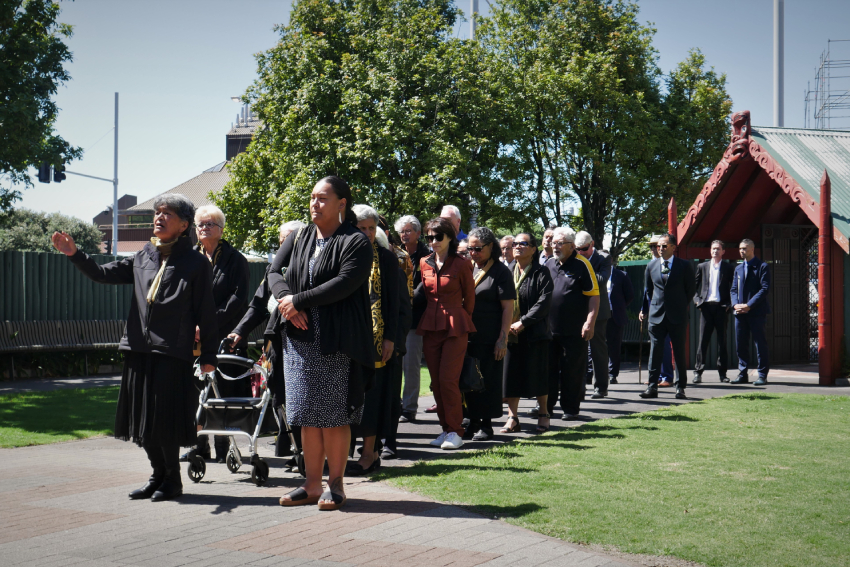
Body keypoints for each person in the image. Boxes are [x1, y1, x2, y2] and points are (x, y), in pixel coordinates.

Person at [51, 194, 218, 502]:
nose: (159, 217)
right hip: (138, 349)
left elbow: (206, 312)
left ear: (183, 225)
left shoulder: (195, 263)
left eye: (167, 214)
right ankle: (157, 475)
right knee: (141, 420)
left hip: (171, 352)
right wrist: (75, 254)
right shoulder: (144, 255)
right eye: (157, 212)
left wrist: (208, 355)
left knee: (162, 422)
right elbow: (103, 274)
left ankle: (173, 481)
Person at [271, 175, 373, 511]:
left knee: (333, 414)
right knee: (305, 414)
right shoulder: (300, 235)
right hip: (299, 339)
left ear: (341, 204)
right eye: (312, 197)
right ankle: (311, 484)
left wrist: (299, 301)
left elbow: (345, 283)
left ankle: (336, 484)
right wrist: (287, 299)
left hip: (336, 340)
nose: (315, 204)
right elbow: (274, 271)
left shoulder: (356, 241)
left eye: (323, 198)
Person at [228, 220, 306, 459]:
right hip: (276, 345)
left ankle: (307, 452)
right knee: (279, 396)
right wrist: (239, 331)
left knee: (301, 396)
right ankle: (293, 448)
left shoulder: (310, 267)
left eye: (290, 238)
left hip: (303, 343)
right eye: (282, 239)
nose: (285, 244)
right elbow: (258, 305)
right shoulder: (273, 270)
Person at [182, 204, 250, 464]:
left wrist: (208, 324)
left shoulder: (235, 260)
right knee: (195, 391)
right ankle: (199, 446)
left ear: (221, 230)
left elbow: (238, 299)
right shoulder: (188, 258)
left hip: (222, 334)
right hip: (192, 336)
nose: (204, 228)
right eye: (200, 224)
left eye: (210, 224)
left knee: (221, 391)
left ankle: (224, 447)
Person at [415, 217, 476, 450]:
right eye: (429, 237)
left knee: (448, 381)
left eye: (438, 237)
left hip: (455, 325)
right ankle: (446, 429)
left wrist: (462, 320)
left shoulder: (462, 264)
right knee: (436, 383)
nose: (433, 242)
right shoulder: (424, 263)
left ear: (450, 237)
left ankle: (456, 431)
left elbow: (470, 299)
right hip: (431, 325)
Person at [348, 205, 399, 476]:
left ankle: (370, 453)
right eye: (361, 227)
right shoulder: (343, 256)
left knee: (373, 398)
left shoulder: (387, 259)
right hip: (348, 341)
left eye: (371, 228)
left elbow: (398, 304)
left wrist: (390, 337)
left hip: (378, 343)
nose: (367, 233)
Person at [465, 227, 515, 441]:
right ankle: (471, 421)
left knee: (488, 381)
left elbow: (507, 308)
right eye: (470, 248)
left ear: (490, 247)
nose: (473, 252)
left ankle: (486, 425)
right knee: (468, 380)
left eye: (477, 248)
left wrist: (502, 339)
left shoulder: (501, 272)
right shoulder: (469, 268)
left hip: (490, 337)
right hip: (468, 336)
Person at [502, 232, 553, 434]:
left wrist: (523, 322)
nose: (517, 246)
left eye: (523, 243)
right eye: (514, 243)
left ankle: (543, 413)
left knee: (538, 376)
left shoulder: (542, 273)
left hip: (535, 334)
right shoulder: (507, 271)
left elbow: (544, 303)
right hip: (510, 335)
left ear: (533, 249)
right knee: (510, 376)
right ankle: (512, 418)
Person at [546, 227, 599, 421]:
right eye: (554, 243)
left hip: (574, 330)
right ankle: (546, 407)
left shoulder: (582, 264)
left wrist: (590, 323)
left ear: (571, 245)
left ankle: (570, 408)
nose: (555, 246)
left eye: (560, 243)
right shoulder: (550, 263)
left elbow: (594, 295)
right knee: (548, 370)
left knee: (572, 370)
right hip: (549, 330)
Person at [639, 233, 696, 400]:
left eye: (664, 246)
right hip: (656, 316)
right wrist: (652, 307)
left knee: (678, 352)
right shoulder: (651, 266)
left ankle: (680, 388)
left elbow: (690, 290)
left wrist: (678, 304)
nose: (661, 249)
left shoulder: (684, 266)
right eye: (659, 246)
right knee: (655, 351)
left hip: (677, 316)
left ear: (673, 247)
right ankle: (652, 387)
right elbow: (649, 290)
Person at [377, 214, 413, 459]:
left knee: (390, 395)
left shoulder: (394, 268)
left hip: (390, 345)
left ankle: (389, 440)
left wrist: (395, 343)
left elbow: (403, 309)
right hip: (364, 345)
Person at [395, 214, 430, 422]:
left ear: (418, 233)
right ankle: (394, 405)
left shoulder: (427, 256)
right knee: (393, 366)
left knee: (411, 366)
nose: (404, 235)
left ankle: (409, 408)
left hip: (415, 319)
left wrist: (404, 302)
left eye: (408, 231)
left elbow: (425, 287)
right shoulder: (395, 254)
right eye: (402, 231)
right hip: (395, 319)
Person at [576, 232, 612, 398]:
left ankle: (601, 387)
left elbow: (602, 279)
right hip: (578, 309)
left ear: (592, 244)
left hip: (598, 310)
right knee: (578, 350)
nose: (581, 252)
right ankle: (579, 387)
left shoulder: (603, 258)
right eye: (578, 249)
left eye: (584, 248)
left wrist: (582, 269)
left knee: (598, 350)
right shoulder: (574, 257)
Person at [730, 239, 771, 385]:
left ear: (752, 249)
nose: (742, 251)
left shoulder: (762, 267)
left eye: (745, 248)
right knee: (741, 343)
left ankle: (762, 375)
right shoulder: (738, 269)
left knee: (760, 344)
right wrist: (735, 305)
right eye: (740, 249)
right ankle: (742, 374)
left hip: (757, 312)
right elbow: (733, 289)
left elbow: (764, 289)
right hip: (740, 313)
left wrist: (749, 305)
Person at [693, 240, 734, 383]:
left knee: (722, 342)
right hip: (706, 307)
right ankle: (698, 372)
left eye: (718, 249)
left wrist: (729, 303)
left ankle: (723, 374)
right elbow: (694, 287)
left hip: (721, 308)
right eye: (713, 249)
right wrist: (697, 301)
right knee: (703, 341)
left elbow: (733, 288)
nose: (715, 251)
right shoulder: (702, 266)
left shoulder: (728, 268)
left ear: (723, 251)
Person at [646, 234, 674, 385]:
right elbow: (648, 291)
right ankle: (655, 377)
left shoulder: (668, 264)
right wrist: (645, 309)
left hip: (667, 312)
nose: (654, 249)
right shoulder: (652, 264)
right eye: (652, 246)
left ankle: (667, 376)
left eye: (657, 246)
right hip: (654, 311)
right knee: (655, 346)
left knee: (664, 344)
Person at [606, 266, 634, 384]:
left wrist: (619, 307)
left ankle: (612, 374)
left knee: (614, 346)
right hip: (599, 315)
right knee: (595, 346)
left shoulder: (621, 275)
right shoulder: (596, 273)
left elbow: (630, 295)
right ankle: (591, 373)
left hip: (615, 315)